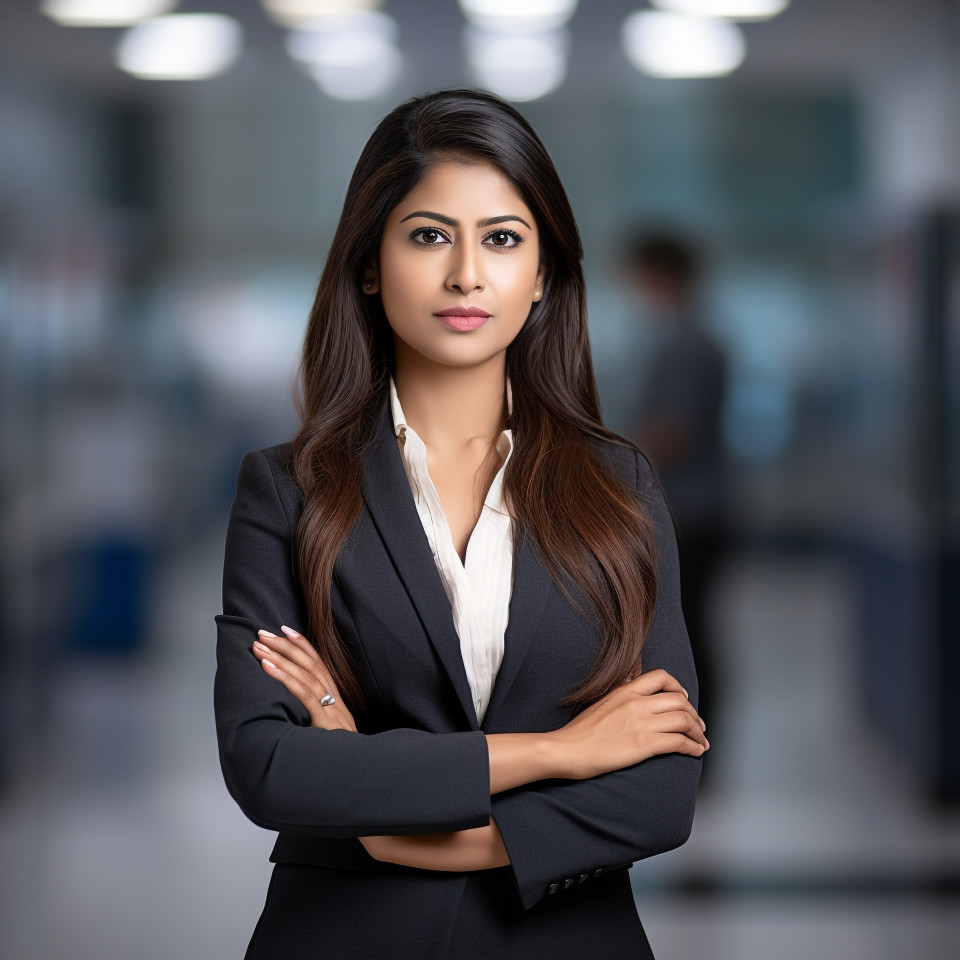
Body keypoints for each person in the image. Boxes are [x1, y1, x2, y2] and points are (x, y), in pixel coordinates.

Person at [214, 89, 707, 960]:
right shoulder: (287, 489)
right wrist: (563, 752)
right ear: (371, 263)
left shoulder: (619, 484)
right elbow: (271, 767)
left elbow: (659, 791)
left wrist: (392, 824)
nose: (467, 275)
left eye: (504, 239)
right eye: (430, 235)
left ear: (544, 273)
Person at [626, 232, 728, 772]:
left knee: (690, 632)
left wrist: (606, 452)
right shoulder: (682, 342)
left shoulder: (687, 347)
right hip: (695, 508)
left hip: (694, 512)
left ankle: (699, 750)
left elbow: (675, 434)